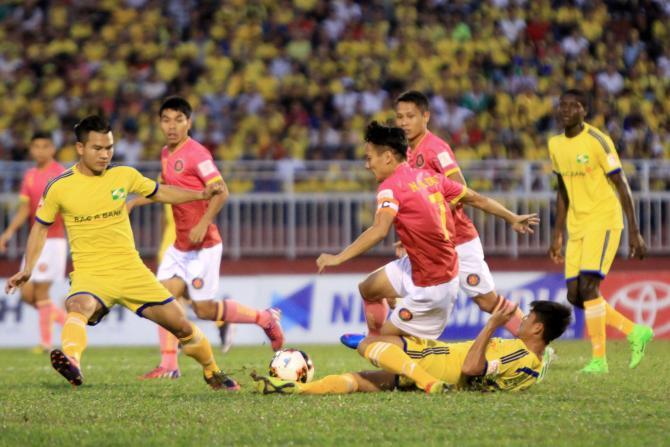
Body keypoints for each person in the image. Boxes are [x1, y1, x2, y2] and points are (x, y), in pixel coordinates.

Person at [4, 115, 238, 390]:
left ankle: (212, 371)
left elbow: (161, 192)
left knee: (182, 326)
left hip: (131, 272)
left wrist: (201, 195)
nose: (105, 155)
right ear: (80, 148)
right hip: (91, 274)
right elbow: (40, 228)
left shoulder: (124, 175)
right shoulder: (59, 186)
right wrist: (28, 268)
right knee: (77, 306)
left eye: (109, 148)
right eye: (97, 148)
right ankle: (72, 361)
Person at [317, 121, 538, 352]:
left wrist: (338, 258)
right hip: (420, 265)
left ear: (388, 157)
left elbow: (379, 230)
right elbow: (476, 199)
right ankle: (376, 336)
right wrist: (511, 217)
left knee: (385, 348)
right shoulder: (430, 177)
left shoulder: (390, 187)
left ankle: (379, 342)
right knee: (368, 288)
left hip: (433, 285)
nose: (367, 164)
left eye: (369, 158)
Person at [130, 96, 283, 380]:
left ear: (189, 122)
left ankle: (264, 318)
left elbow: (221, 191)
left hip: (204, 246)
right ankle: (169, 365)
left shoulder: (197, 154)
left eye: (178, 120)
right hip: (179, 246)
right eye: (166, 120)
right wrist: (134, 202)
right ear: (159, 124)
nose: (172, 126)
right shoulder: (165, 153)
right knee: (161, 300)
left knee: (204, 310)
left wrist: (203, 223)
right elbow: (164, 189)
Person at [252, 300, 571, 394]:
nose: (522, 320)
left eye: (528, 318)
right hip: (446, 371)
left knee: (370, 343)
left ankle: (423, 380)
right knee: (360, 381)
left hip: (440, 363)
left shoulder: (519, 351)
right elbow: (493, 373)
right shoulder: (533, 363)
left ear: (538, 329)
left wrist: (491, 325)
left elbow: (472, 367)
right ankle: (298, 389)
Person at [548, 89, 653, 374]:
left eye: (573, 106)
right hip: (576, 224)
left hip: (603, 220)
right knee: (574, 295)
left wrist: (635, 231)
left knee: (589, 287)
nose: (566, 110)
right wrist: (557, 234)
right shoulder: (555, 144)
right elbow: (562, 190)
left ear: (584, 111)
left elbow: (621, 184)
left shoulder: (598, 140)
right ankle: (634, 331)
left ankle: (599, 360)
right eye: (562, 105)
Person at [0, 132, 68, 353]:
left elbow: (69, 208)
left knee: (41, 292)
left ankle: (45, 343)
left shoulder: (60, 174)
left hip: (53, 240)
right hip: (34, 240)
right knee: (26, 293)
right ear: (31, 149)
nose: (40, 151)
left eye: (45, 146)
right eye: (36, 146)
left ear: (53, 149)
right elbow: (24, 210)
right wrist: (7, 233)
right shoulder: (29, 175)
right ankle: (66, 322)